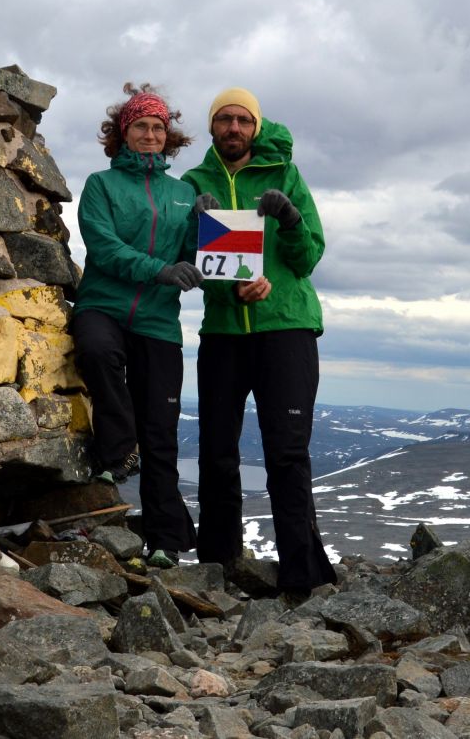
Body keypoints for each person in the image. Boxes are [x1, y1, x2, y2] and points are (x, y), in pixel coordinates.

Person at [181, 87, 338, 593]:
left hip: (286, 329)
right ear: (211, 128)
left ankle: (302, 577)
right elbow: (193, 267)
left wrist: (289, 218)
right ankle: (218, 567)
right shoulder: (195, 181)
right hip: (224, 332)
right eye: (224, 119)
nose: (233, 128)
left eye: (242, 120)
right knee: (217, 452)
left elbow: (309, 255)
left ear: (256, 126)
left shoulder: (285, 175)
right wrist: (193, 226)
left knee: (287, 454)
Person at [71, 84, 202, 569]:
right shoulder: (101, 185)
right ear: (122, 134)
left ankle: (165, 540)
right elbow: (102, 248)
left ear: (169, 138)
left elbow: (196, 259)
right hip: (103, 305)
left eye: (158, 128)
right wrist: (159, 270)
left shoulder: (184, 194)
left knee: (162, 429)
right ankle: (120, 450)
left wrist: (207, 225)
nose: (150, 135)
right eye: (141, 127)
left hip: (159, 320)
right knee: (98, 354)